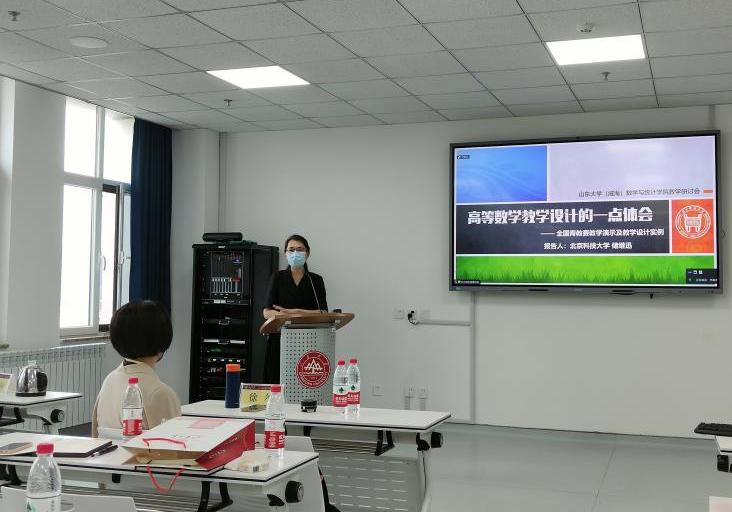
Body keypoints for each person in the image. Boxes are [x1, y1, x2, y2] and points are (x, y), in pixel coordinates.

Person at [92, 300, 181, 437]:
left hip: (109, 451)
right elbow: (174, 444)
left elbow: (95, 436)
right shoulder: (161, 393)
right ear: (162, 338)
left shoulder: (109, 381)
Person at [262, 234, 328, 383]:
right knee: (278, 382)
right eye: (291, 250)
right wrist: (293, 315)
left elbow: (323, 312)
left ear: (307, 253)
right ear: (285, 254)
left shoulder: (315, 280)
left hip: (309, 341)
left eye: (300, 249)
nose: (295, 253)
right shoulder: (277, 277)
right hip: (280, 340)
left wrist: (295, 312)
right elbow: (266, 312)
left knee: (304, 383)